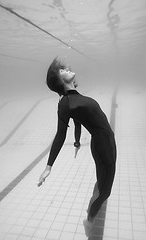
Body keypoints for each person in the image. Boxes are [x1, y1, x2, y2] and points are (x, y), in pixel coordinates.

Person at [37, 57, 117, 237]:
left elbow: (78, 121)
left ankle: (91, 206)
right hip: (102, 145)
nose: (66, 68)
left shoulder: (75, 97)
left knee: (103, 185)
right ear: (58, 80)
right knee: (105, 192)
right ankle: (89, 220)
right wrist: (48, 166)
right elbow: (60, 135)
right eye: (62, 70)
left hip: (108, 142)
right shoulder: (65, 103)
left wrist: (77, 141)